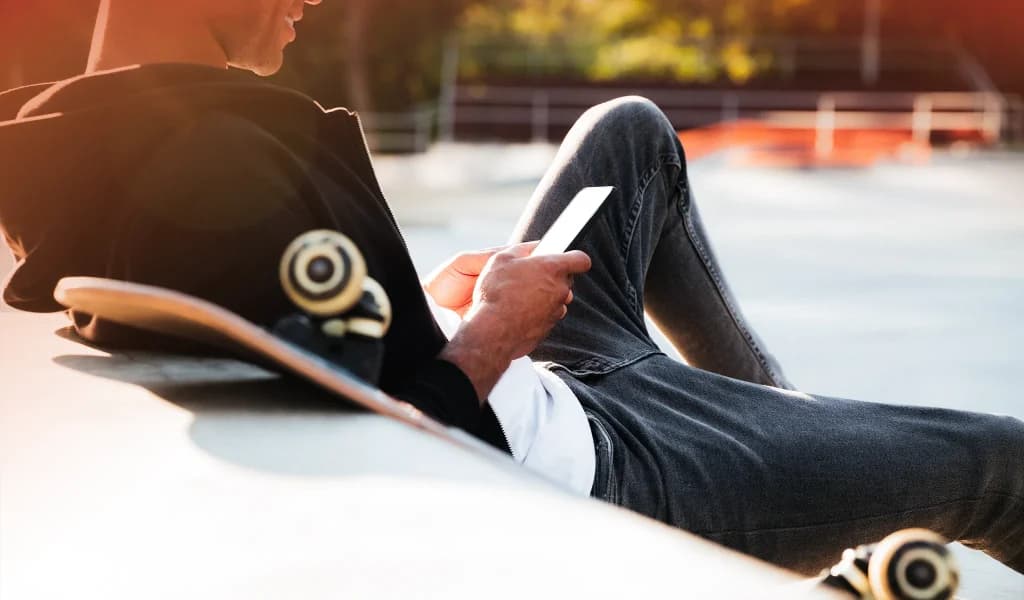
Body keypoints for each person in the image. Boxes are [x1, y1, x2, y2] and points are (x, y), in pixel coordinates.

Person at [0, 0, 1021, 576]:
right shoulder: (214, 157)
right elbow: (376, 445)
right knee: (1004, 463)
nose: (310, 3)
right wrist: (489, 333)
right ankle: (783, 456)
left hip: (552, 378)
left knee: (630, 132)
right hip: (608, 464)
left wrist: (426, 301)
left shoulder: (93, 137)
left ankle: (783, 438)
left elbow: (307, 341)